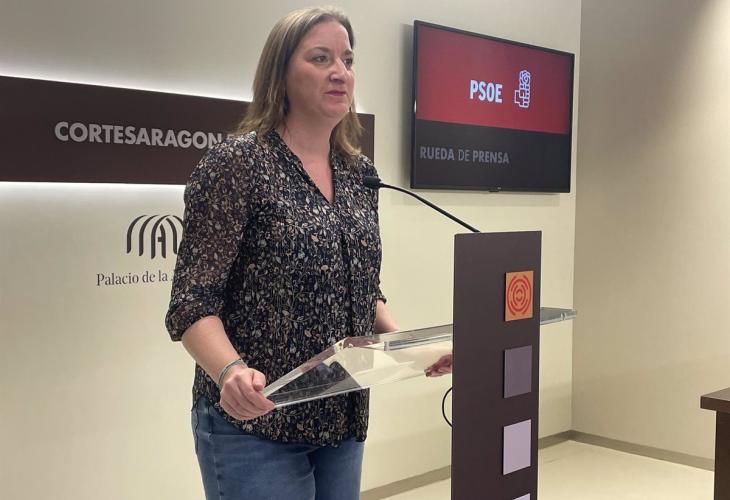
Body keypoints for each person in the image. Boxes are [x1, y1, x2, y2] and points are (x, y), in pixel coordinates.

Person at [165, 7, 400, 500]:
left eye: (347, 60)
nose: (340, 72)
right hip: (255, 425)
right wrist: (229, 371)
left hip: (341, 414)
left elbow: (361, 287)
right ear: (281, 75)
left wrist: (406, 345)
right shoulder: (238, 164)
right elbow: (191, 303)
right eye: (320, 58)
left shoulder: (359, 173)